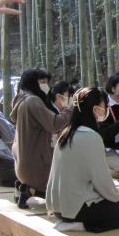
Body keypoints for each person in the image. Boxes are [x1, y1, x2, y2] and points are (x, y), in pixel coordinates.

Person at [46, 88, 119, 233]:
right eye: (105, 106)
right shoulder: (90, 137)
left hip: (59, 208)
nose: (106, 110)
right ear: (95, 109)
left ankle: (75, 222)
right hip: (77, 210)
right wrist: (118, 197)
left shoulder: (66, 133)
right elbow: (101, 179)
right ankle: (81, 225)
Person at [11, 68, 72, 208]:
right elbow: (54, 124)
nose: (46, 85)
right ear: (32, 83)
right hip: (36, 164)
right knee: (62, 193)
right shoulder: (33, 101)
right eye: (42, 82)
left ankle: (24, 186)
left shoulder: (22, 100)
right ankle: (29, 191)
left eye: (46, 82)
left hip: (23, 163)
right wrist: (70, 108)